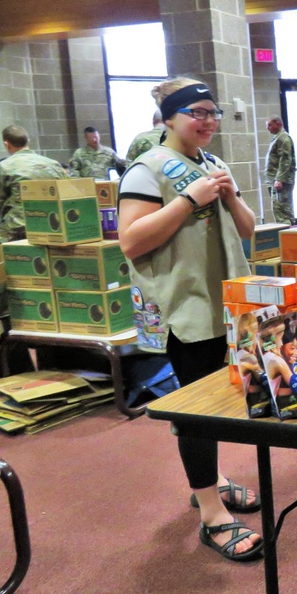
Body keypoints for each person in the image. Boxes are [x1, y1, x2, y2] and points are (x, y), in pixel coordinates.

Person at [117, 76, 262, 563]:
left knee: (220, 403)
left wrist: (228, 196)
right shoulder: (147, 168)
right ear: (170, 118)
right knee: (196, 413)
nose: (207, 121)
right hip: (186, 309)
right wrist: (188, 200)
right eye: (195, 112)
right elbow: (131, 241)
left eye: (212, 112)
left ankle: (211, 482)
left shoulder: (215, 164)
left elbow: (247, 230)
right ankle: (211, 515)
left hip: (226, 303)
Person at [0, 125, 67, 245]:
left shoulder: (3, 167)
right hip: (53, 221)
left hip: (20, 224)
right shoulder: (54, 164)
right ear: (28, 141)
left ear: (6, 144)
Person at [264, 115, 296, 224]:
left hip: (281, 182)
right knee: (278, 210)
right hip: (274, 180)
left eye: (269, 125)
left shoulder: (283, 138)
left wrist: (280, 179)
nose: (267, 128)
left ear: (278, 124)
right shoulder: (277, 138)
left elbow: (286, 159)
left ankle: (289, 236)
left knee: (282, 211)